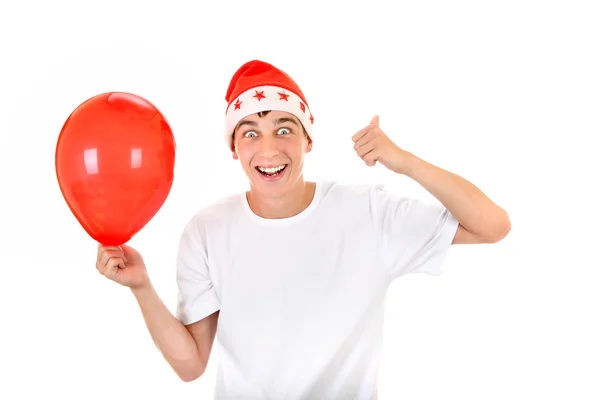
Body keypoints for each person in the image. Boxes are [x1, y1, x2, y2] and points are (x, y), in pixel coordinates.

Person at [96, 60, 511, 399]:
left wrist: (405, 162)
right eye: (250, 133)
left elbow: (492, 225)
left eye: (284, 129)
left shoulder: (367, 213)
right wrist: (141, 287)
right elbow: (190, 366)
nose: (269, 149)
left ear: (308, 139)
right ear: (234, 148)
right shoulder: (206, 231)